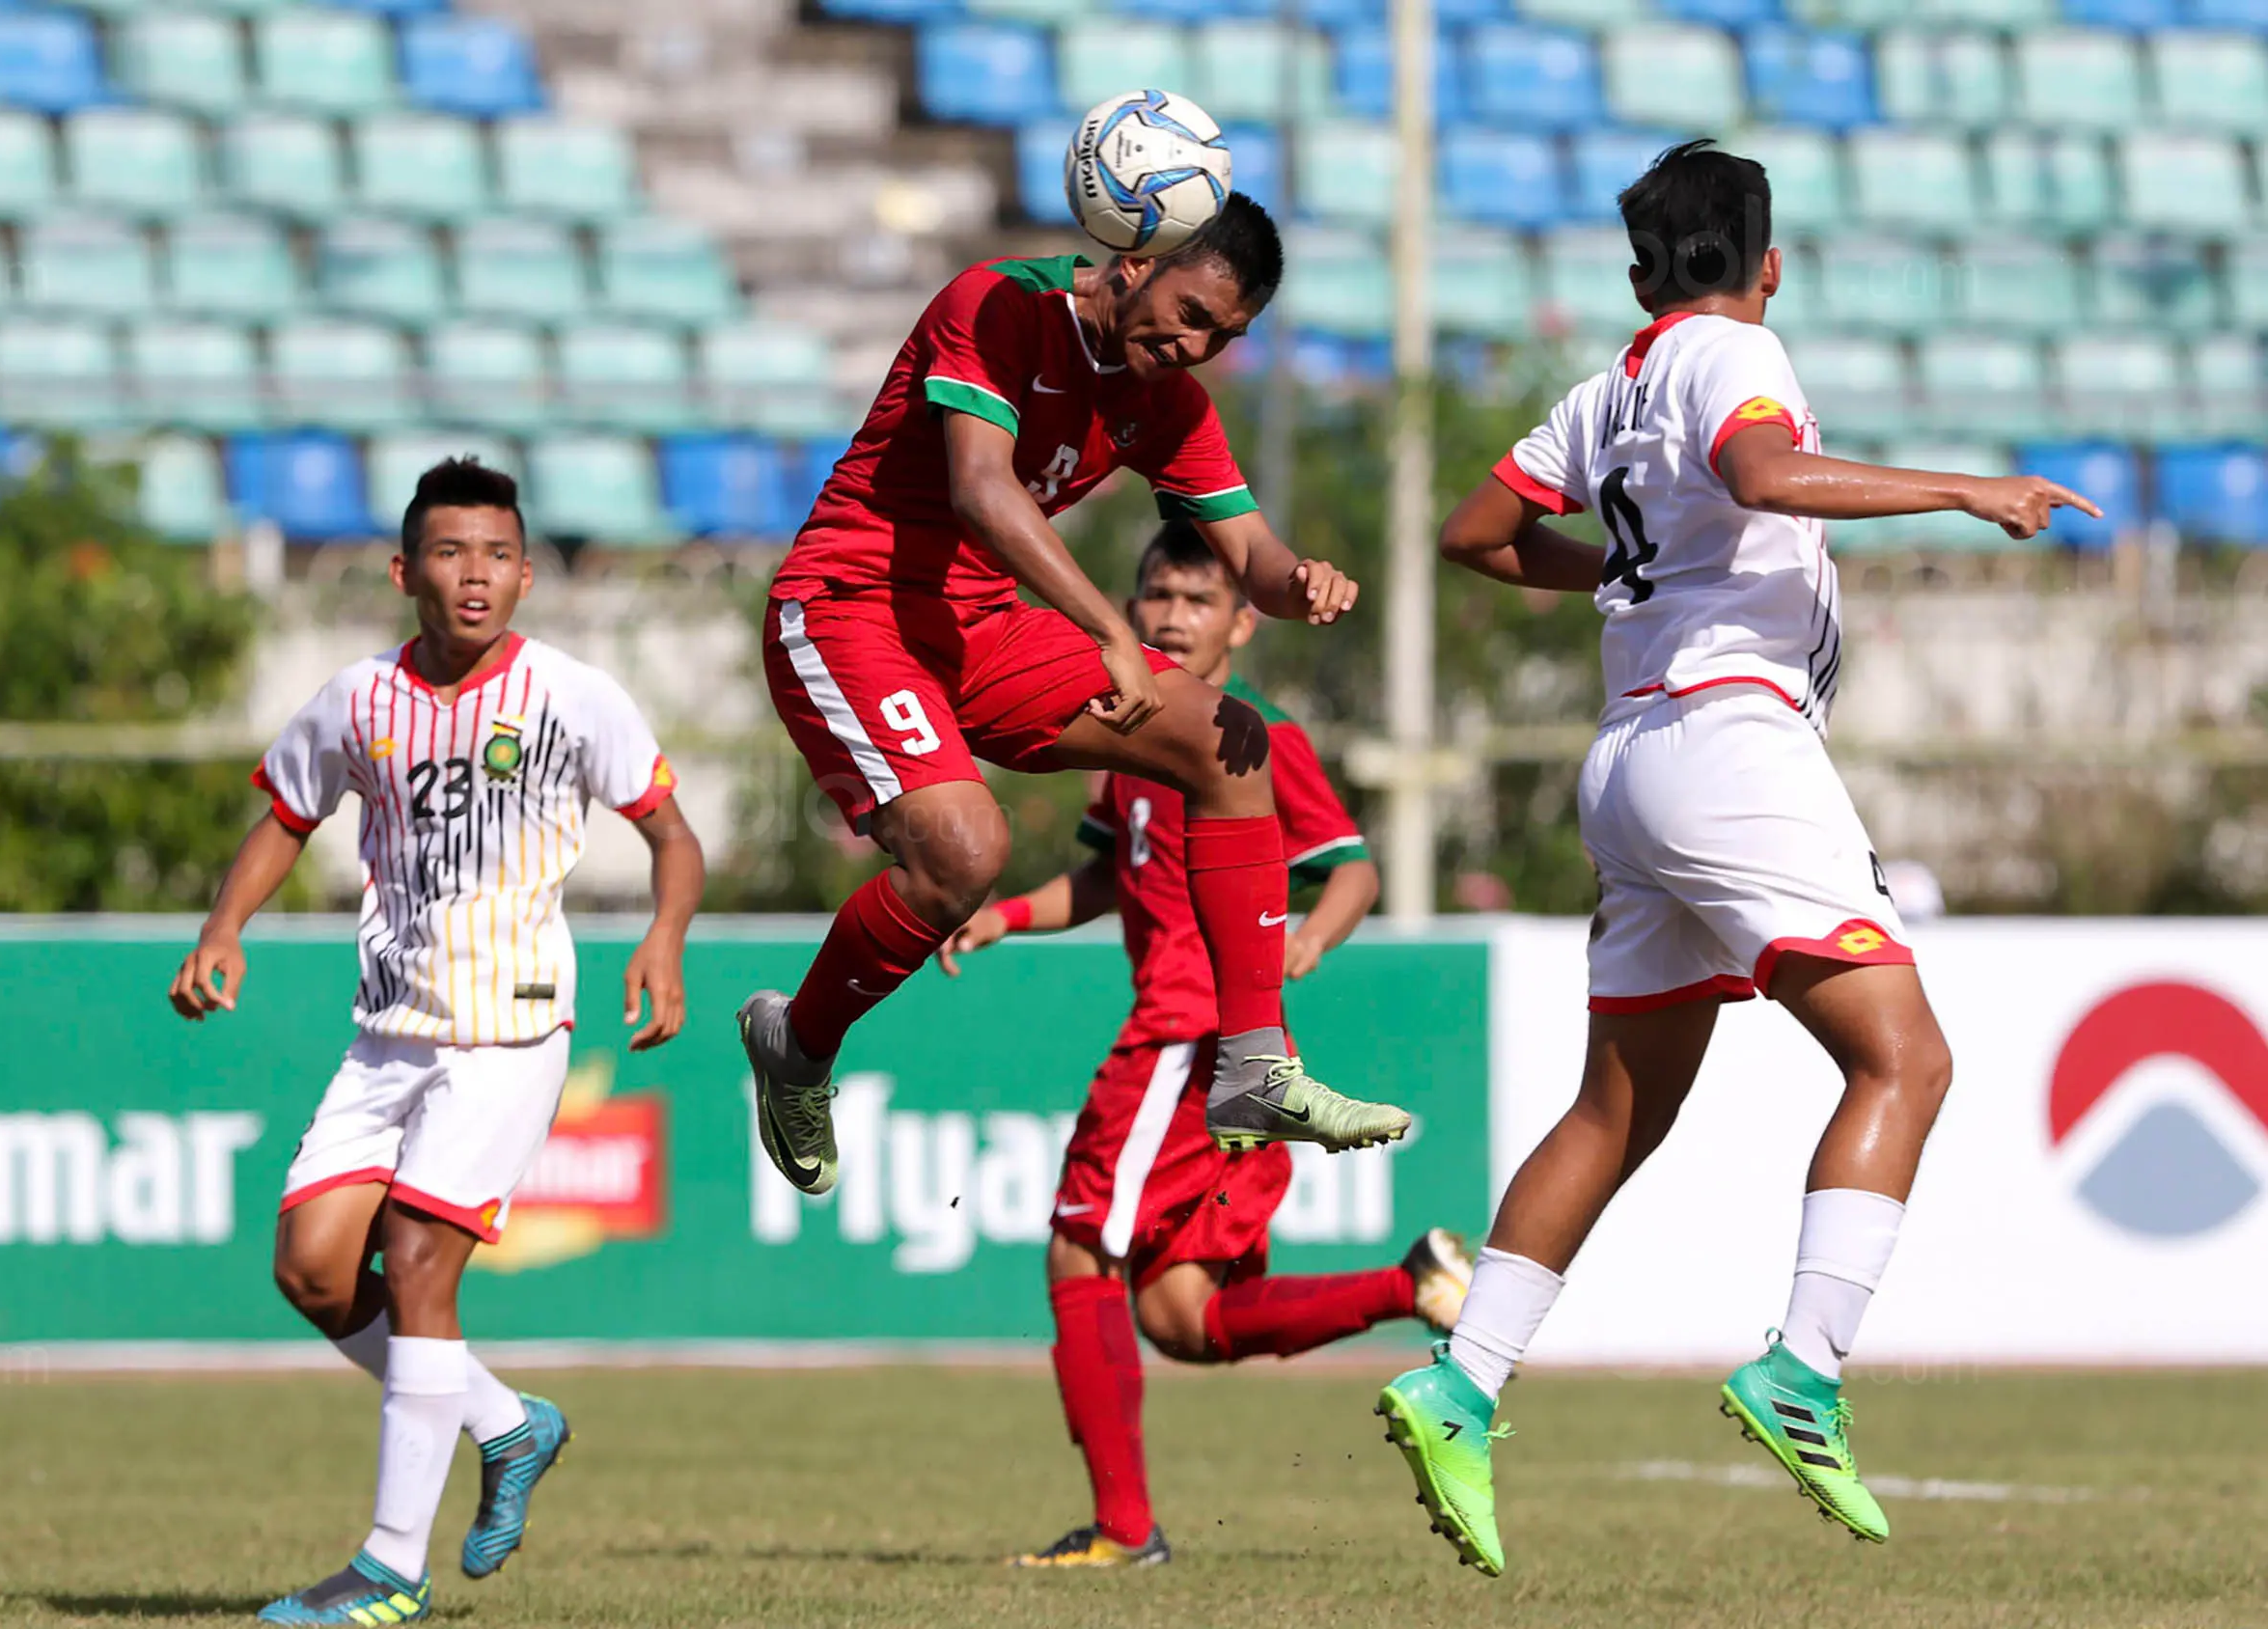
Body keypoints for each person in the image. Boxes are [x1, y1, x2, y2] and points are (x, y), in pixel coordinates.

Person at [1378, 141, 2097, 1577]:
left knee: (1618, 1112)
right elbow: (1764, 472)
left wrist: (1633, 574)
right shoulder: (1731, 355)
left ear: (1638, 274)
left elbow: (1476, 533)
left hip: (1629, 764)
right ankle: (1805, 1371)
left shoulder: (1612, 392)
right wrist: (1970, 489)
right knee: (1908, 1062)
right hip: (1729, 750)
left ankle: (1462, 1382)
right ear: (1770, 265)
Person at [740, 194, 1412, 1202]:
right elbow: (981, 486)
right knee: (965, 850)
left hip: (978, 626)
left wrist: (1297, 579)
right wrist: (1108, 627)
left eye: (1222, 337)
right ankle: (798, 1044)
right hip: (852, 605)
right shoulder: (1000, 304)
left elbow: (1251, 552)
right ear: (1137, 261)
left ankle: (1251, 1066)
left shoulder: (1170, 404)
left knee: (1236, 740)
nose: (1195, 346)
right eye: (1191, 313)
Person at [170, 457, 705, 1626]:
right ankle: (509, 1423)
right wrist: (224, 927)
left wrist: (663, 942)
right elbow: (286, 814)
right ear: (408, 569)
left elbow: (673, 836)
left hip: (512, 1027)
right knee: (313, 1268)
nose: (477, 575)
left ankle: (387, 1567)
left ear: (525, 571)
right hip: (390, 1033)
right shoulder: (360, 697)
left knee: (417, 1262)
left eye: (499, 554)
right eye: (452, 553)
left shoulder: (573, 695)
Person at [942, 525, 1475, 1567]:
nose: (1173, 615)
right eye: (1157, 594)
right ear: (1131, 606)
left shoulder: (1248, 731)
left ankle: (1121, 1531)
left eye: (1197, 598)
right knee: (1185, 1313)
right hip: (1213, 1043)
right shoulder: (1127, 732)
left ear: (1242, 620)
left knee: (1079, 1245)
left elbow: (1351, 866)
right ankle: (1412, 1282)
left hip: (1191, 1034)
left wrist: (1309, 940)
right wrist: (1004, 913)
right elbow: (1101, 881)